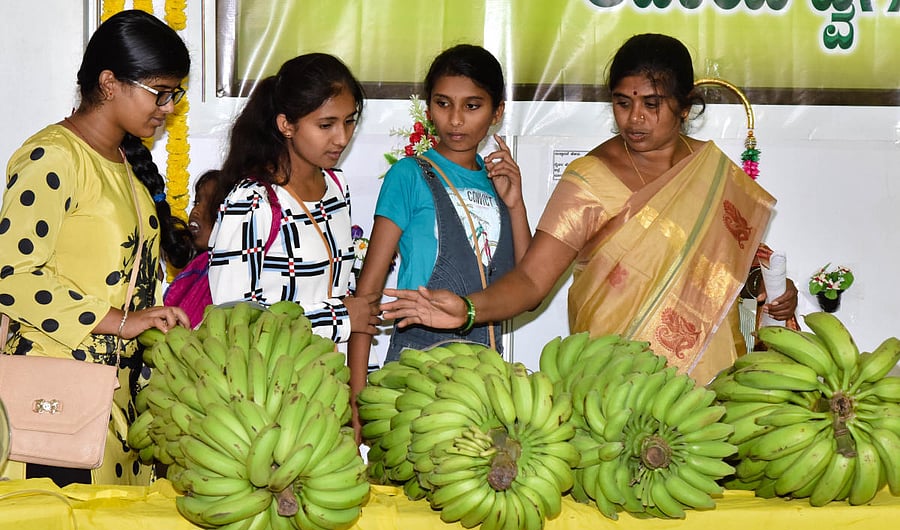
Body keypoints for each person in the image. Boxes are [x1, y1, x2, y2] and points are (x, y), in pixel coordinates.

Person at [381, 34, 797, 386]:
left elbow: (736, 265)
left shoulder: (711, 171)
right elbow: (530, 279)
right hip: (613, 387)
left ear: (685, 106)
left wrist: (770, 290)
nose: (634, 118)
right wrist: (469, 308)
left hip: (708, 381)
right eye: (622, 103)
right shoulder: (590, 178)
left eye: (652, 104)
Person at [0, 10, 194, 486]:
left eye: (175, 94)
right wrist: (122, 322)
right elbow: (12, 276)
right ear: (109, 83)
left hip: (118, 397)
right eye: (160, 92)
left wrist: (151, 320)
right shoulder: (53, 156)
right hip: (57, 396)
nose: (168, 107)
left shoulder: (125, 161)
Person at [347, 44, 531, 430]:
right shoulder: (409, 175)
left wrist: (515, 205)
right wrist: (358, 404)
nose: (456, 120)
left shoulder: (499, 184)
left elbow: (526, 288)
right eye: (443, 103)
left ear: (497, 112)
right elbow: (368, 293)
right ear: (428, 108)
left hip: (485, 384)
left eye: (473, 106)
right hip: (415, 374)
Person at [207, 53, 380, 342]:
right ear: (286, 125)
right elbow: (233, 321)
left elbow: (345, 293)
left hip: (333, 374)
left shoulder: (337, 185)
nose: (342, 137)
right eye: (326, 125)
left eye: (349, 121)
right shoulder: (252, 201)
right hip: (277, 379)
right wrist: (339, 318)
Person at [163, 169, 221, 328]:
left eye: (209, 204)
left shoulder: (226, 273)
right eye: (196, 202)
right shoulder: (196, 268)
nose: (195, 211)